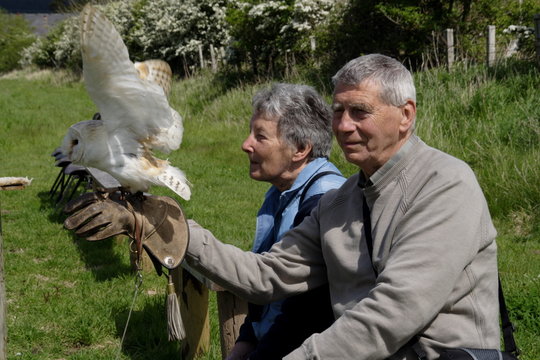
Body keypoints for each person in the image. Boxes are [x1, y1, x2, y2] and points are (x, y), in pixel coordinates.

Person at [65, 54, 500, 359]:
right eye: (338, 111)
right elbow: (268, 274)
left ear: (405, 115)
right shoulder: (343, 200)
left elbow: (395, 311)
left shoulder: (445, 185)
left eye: (360, 111)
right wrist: (175, 229)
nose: (345, 125)